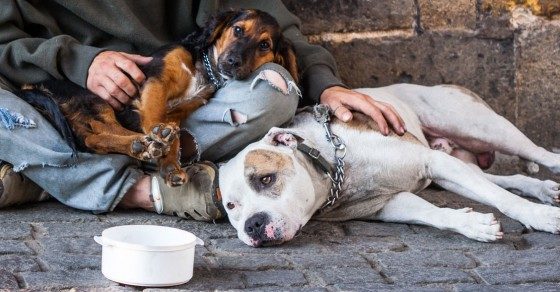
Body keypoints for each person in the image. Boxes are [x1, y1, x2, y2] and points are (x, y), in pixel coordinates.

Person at [0, 0, 405, 221]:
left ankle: (48, 174)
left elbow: (270, 22)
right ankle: (141, 191)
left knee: (274, 93)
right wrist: (77, 61)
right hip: (51, 92)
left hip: (182, 100)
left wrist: (326, 84)